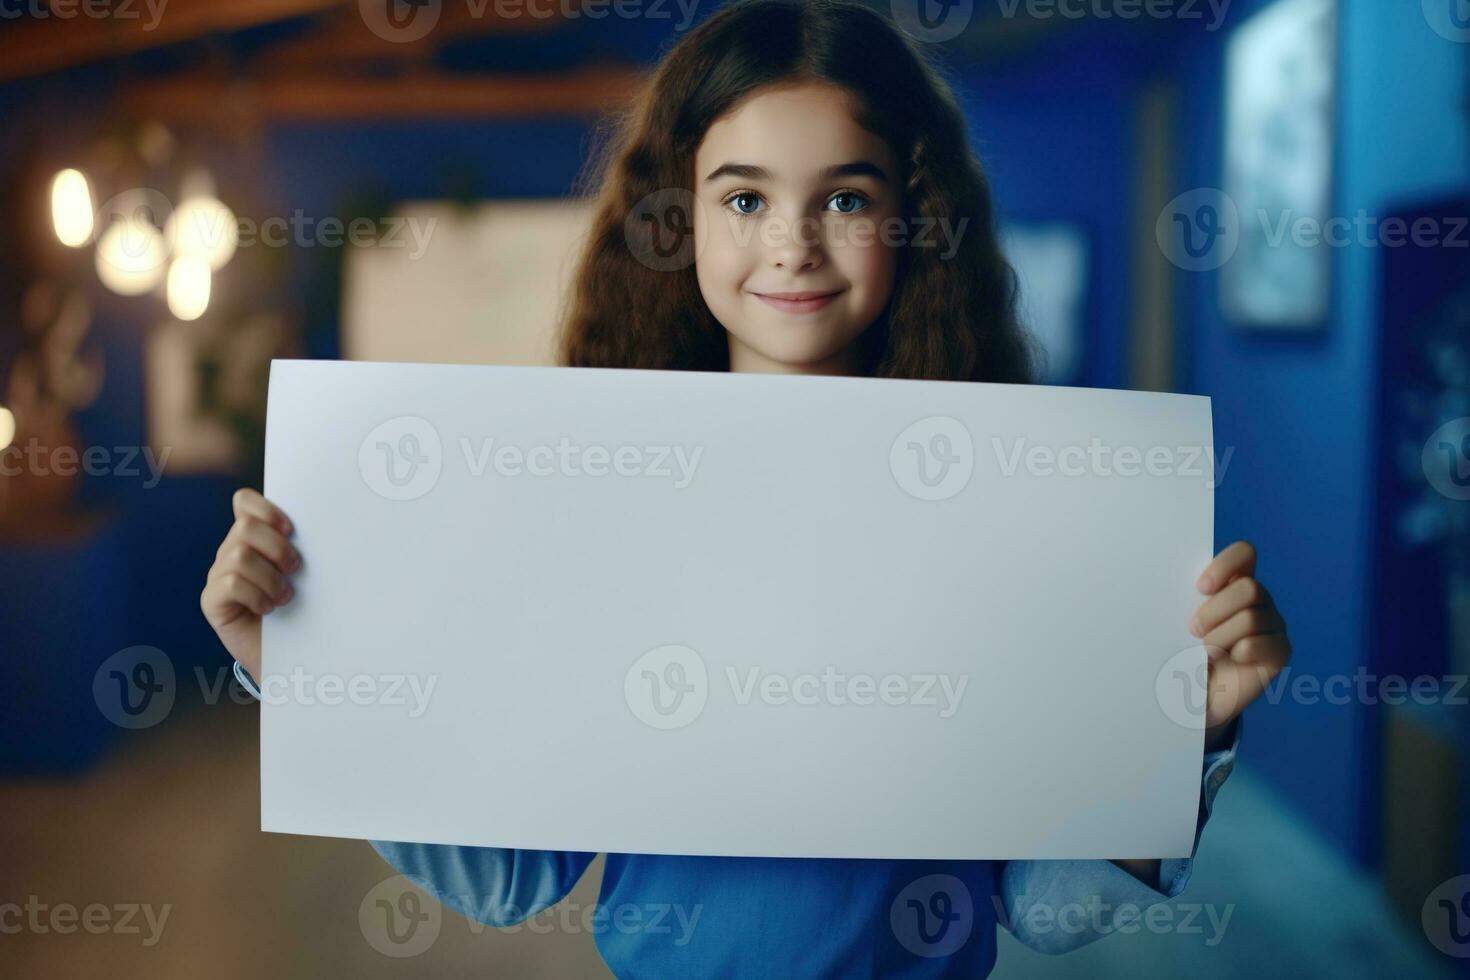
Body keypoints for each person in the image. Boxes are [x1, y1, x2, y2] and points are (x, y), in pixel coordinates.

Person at [200, 1, 1290, 974]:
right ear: (680, 216)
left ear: (909, 213)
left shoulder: (1011, 507)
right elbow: (506, 874)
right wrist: (300, 664)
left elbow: (1043, 910)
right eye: (744, 197)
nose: (793, 245)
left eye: (846, 197)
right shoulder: (592, 494)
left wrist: (1180, 736)